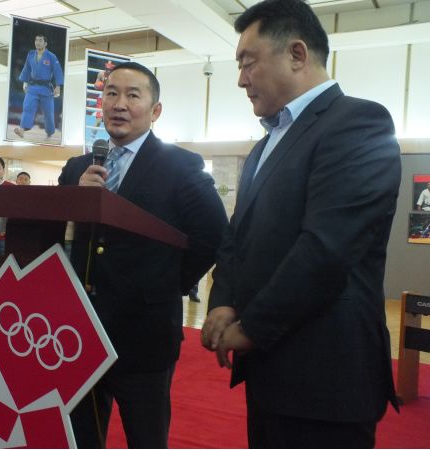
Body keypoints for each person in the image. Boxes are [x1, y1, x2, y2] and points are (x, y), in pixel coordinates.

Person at [200, 0, 401, 448]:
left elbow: (327, 249)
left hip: (326, 379)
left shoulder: (358, 123)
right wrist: (225, 301)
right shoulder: (264, 145)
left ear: (296, 54)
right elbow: (237, 237)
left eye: (248, 62)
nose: (240, 79)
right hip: (270, 372)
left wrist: (251, 328)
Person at [59, 61, 227, 448]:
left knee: (145, 436)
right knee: (82, 435)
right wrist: (74, 198)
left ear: (155, 111)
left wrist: (166, 284)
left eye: (132, 95)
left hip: (144, 334)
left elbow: (213, 235)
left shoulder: (180, 166)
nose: (119, 104)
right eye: (111, 93)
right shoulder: (78, 167)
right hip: (79, 333)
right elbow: (53, 230)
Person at [14, 35, 63, 140]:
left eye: (40, 41)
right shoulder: (31, 54)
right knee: (27, 107)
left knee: (48, 113)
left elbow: (57, 71)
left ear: (45, 44)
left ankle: (49, 132)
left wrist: (58, 86)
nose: (38, 42)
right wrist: (25, 82)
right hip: (33, 87)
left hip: (46, 89)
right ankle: (22, 129)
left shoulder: (51, 56)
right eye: (36, 40)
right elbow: (27, 68)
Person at [90, 60, 115, 138]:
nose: (108, 70)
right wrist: (98, 85)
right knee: (98, 121)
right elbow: (95, 86)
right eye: (107, 69)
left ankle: (113, 139)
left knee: (112, 121)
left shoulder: (114, 77)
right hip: (101, 99)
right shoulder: (101, 74)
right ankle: (92, 137)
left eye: (109, 69)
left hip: (111, 100)